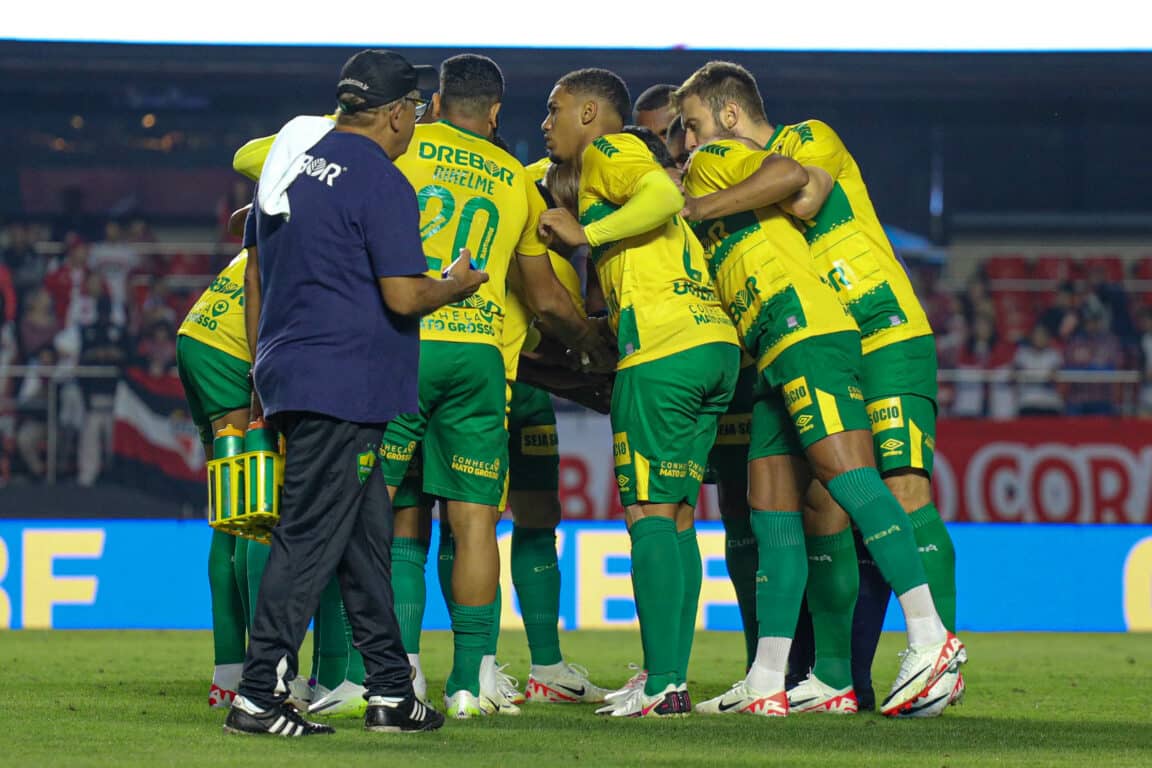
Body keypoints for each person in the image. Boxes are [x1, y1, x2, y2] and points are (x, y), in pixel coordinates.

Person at [675, 61, 964, 717]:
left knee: (901, 487)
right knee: (818, 508)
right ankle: (825, 676)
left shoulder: (804, 137)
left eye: (692, 127)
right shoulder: (739, 184)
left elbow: (801, 194)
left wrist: (701, 203)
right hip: (820, 335)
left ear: (726, 115)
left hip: (882, 325)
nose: (689, 146)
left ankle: (936, 652)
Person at [224, 49, 480, 738]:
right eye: (415, 116)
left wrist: (259, 370)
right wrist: (455, 283)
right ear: (399, 113)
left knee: (364, 541)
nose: (413, 128)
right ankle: (258, 695)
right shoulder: (380, 180)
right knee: (307, 537)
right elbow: (402, 296)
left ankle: (391, 692)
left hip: (289, 370)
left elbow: (253, 278)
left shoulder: (288, 163)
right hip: (344, 382)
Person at [377, 53, 606, 719]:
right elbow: (543, 295)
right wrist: (589, 339)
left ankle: (389, 670)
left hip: (406, 341)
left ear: (438, 101)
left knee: (380, 510)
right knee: (476, 523)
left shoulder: (405, 143)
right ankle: (472, 679)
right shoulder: (514, 177)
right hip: (481, 359)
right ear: (497, 114)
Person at [539, 68, 741, 718]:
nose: (547, 123)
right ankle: (668, 677)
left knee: (649, 516)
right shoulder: (604, 167)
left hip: (665, 352)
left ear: (592, 113)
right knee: (678, 518)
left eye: (556, 109)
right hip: (712, 344)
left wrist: (585, 234)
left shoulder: (611, 150)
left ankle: (659, 686)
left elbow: (661, 193)